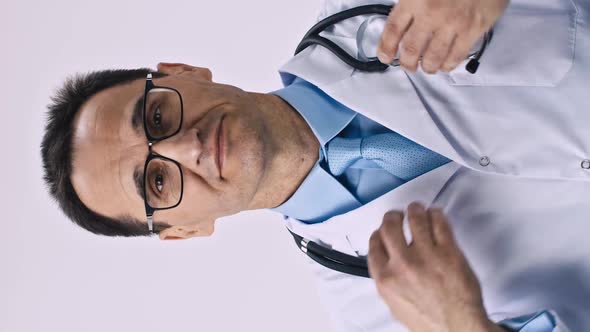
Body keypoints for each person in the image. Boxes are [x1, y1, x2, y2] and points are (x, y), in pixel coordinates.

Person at [40, 0, 590, 330]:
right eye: (157, 182)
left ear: (185, 70)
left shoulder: (377, 4)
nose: (189, 147)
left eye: (157, 116)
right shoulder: (374, 314)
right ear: (183, 230)